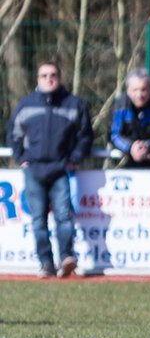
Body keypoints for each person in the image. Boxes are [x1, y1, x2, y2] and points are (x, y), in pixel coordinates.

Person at [6, 61, 92, 279]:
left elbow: (85, 135)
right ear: (37, 79)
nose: (49, 79)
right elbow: (13, 135)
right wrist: (21, 158)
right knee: (38, 220)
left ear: (60, 77)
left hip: (61, 169)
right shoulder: (25, 105)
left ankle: (66, 258)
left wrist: (74, 159)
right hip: (34, 170)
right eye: (44, 75)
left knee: (64, 216)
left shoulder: (74, 104)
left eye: (53, 74)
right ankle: (46, 263)